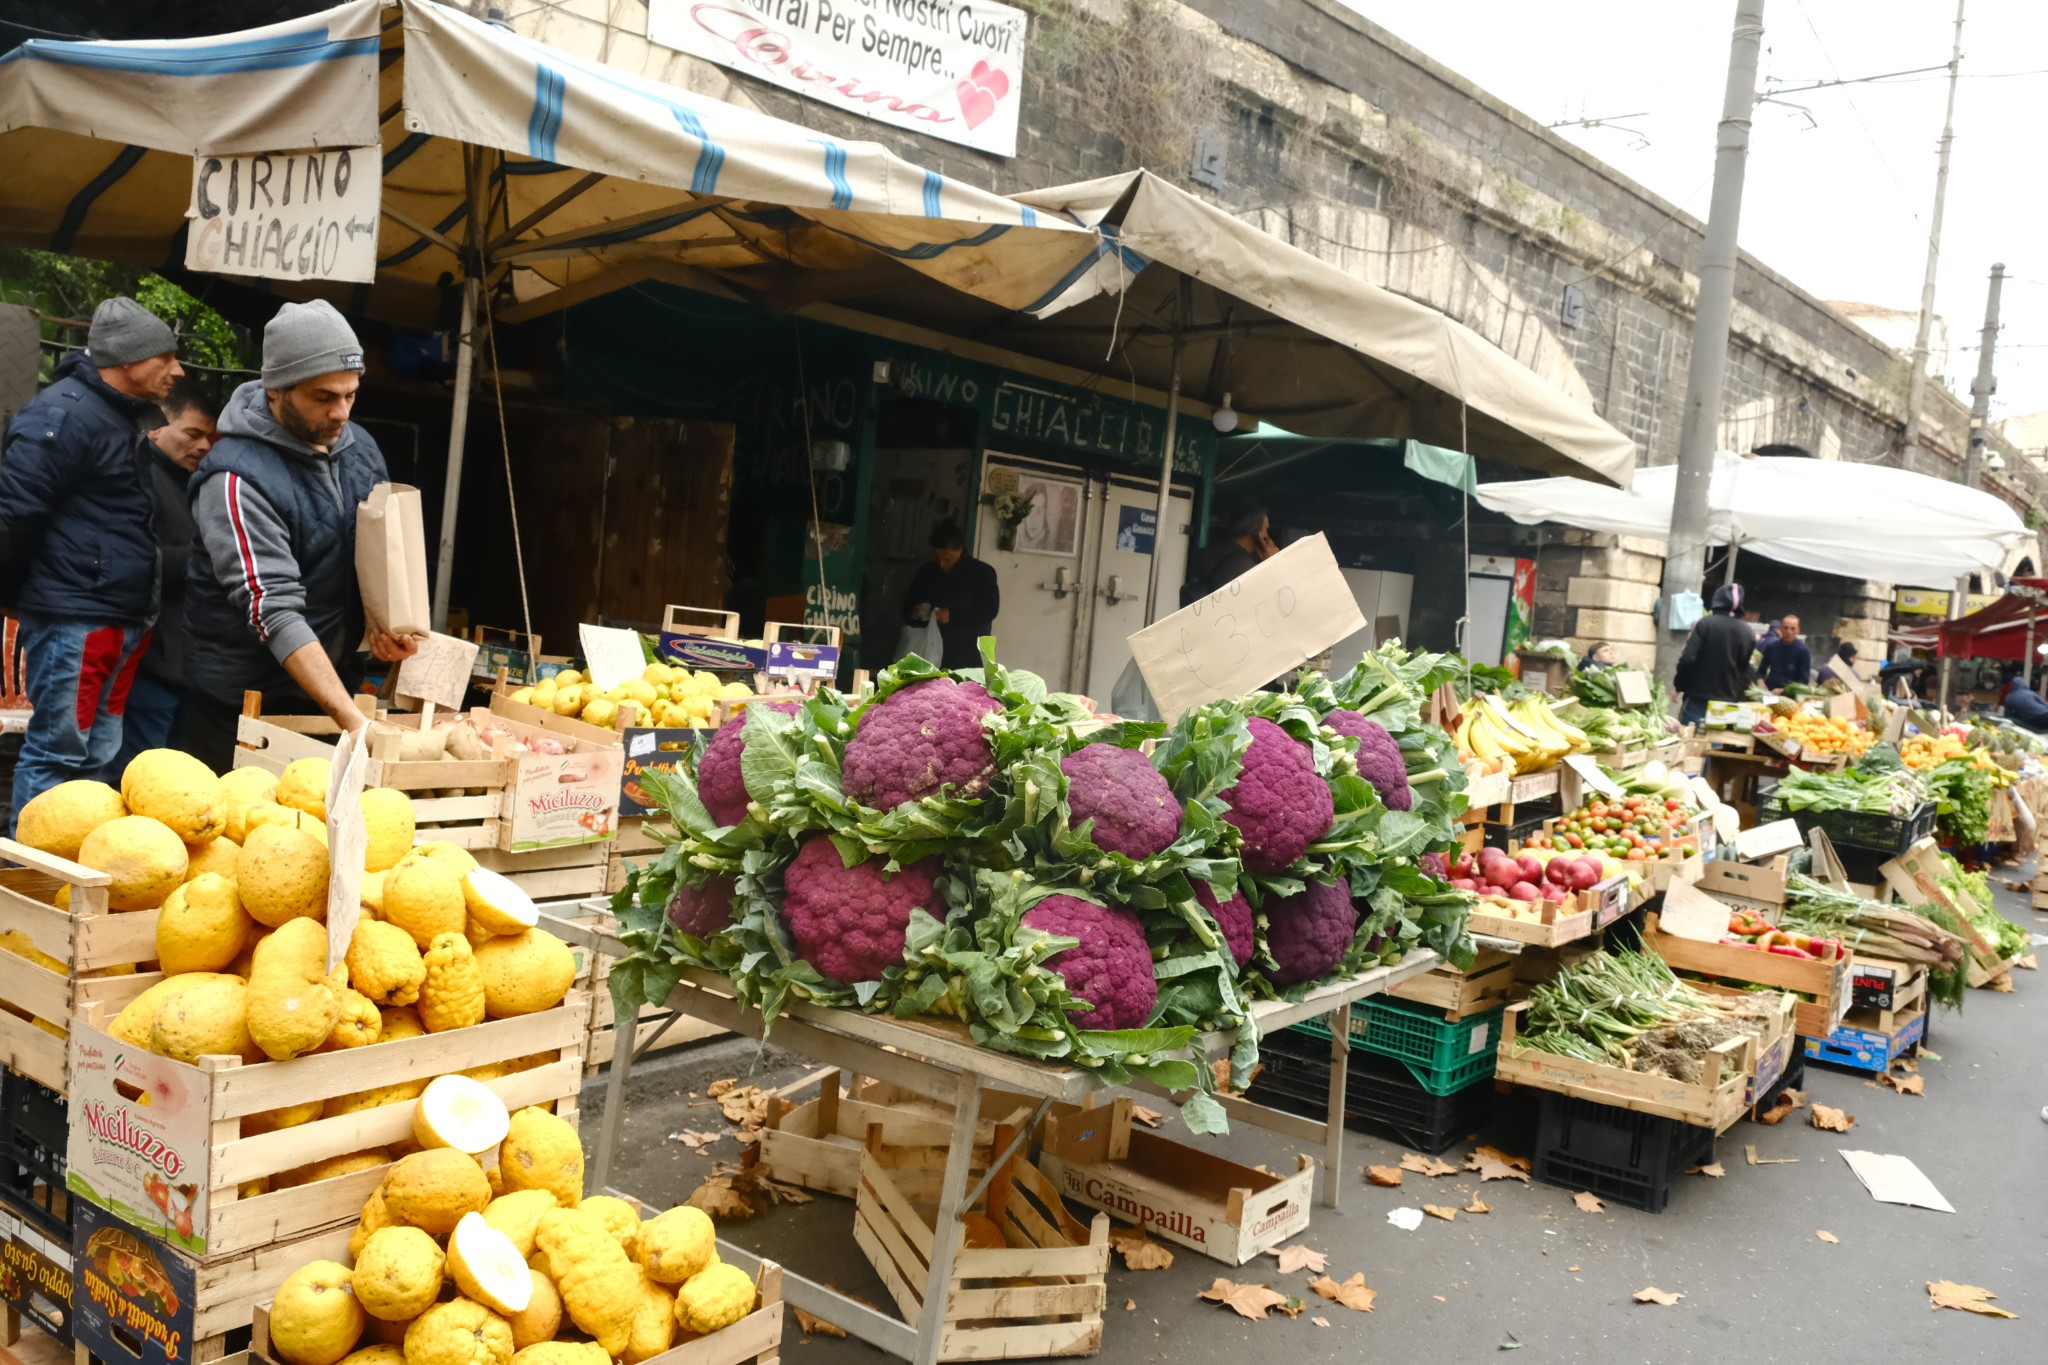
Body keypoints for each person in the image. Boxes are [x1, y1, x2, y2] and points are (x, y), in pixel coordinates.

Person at [181, 300, 418, 773]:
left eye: (351, 395)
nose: (341, 412)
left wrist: (381, 627)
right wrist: (352, 719)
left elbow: (372, 553)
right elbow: (272, 606)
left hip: (331, 693)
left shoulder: (361, 449)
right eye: (323, 397)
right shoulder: (235, 478)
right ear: (276, 390)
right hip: (240, 706)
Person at [0, 298, 182, 828]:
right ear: (126, 359)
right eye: (165, 357)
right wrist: (20, 599)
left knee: (98, 753)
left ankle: (74, 878)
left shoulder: (116, 415)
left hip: (116, 617)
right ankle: (28, 881)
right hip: (76, 616)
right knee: (58, 753)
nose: (178, 369)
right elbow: (14, 518)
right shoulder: (62, 415)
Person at [115, 379, 218, 771]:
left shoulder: (196, 485)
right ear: (157, 428)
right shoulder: (136, 480)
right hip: (149, 661)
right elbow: (137, 561)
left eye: (209, 437)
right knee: (143, 773)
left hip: (188, 664)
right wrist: (208, 560)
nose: (205, 446)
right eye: (194, 434)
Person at [900, 521, 998, 670]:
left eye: (947, 559)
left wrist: (952, 616)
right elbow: (908, 604)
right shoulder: (926, 571)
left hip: (965, 653)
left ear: (960, 550)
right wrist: (913, 613)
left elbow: (989, 610)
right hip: (926, 651)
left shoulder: (981, 572)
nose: (942, 564)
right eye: (937, 558)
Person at [1674, 582, 1755, 728]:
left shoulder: (1704, 624)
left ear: (1717, 601)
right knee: (1714, 744)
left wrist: (1680, 685)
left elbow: (1688, 659)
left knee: (1689, 740)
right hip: (1726, 701)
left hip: (1698, 697)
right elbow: (1743, 667)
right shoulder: (1748, 632)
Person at [1181, 499, 1278, 604]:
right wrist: (1274, 563)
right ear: (1256, 533)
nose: (1267, 536)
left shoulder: (1216, 551)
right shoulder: (1243, 565)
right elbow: (1269, 598)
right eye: (1265, 530)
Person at [1757, 613, 1812, 691]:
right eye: (1785, 628)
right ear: (1780, 629)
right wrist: (1760, 681)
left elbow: (1804, 681)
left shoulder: (1803, 651)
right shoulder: (1771, 647)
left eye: (1792, 628)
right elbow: (1761, 671)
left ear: (1798, 630)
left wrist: (1783, 690)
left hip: (1790, 695)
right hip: (1769, 691)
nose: (1788, 632)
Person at [2001, 667, 2048, 733]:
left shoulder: (2009, 697)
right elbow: (2044, 703)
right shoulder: (2030, 693)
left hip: (2033, 720)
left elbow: (2008, 715)